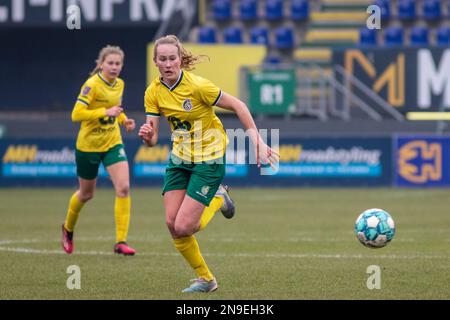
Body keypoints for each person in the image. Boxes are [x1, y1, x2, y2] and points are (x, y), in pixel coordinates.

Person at [138, 35, 279, 292]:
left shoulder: (198, 86)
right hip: (180, 159)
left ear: (180, 59)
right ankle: (206, 279)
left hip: (209, 157)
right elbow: (153, 137)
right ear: (155, 61)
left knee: (184, 226)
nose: (168, 63)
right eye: (163, 59)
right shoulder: (152, 92)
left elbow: (239, 105)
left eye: (172, 58)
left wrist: (257, 141)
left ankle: (219, 197)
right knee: (172, 225)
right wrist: (148, 137)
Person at [61, 45, 137, 256]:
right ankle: (68, 229)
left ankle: (121, 241)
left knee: (123, 188)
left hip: (112, 142)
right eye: (110, 63)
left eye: (118, 64)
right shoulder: (92, 85)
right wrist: (106, 111)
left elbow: (116, 110)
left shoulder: (120, 84)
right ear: (101, 64)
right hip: (88, 146)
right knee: (86, 194)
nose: (114, 67)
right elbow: (76, 114)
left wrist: (124, 120)